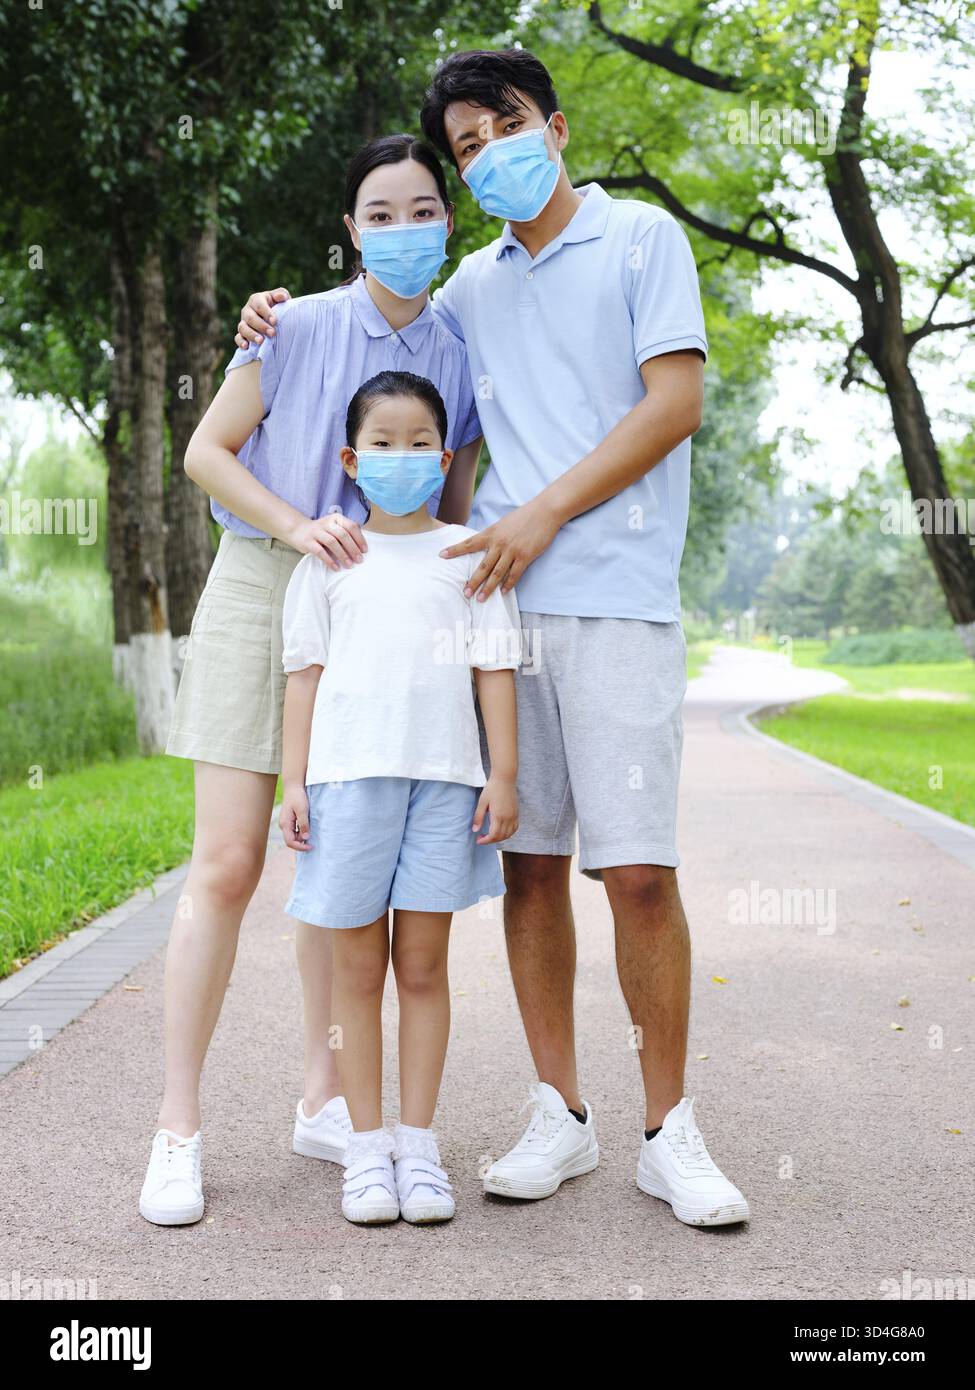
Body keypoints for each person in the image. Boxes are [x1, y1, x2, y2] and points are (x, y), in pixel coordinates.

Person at [238, 48, 749, 1227]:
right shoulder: (469, 283)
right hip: (496, 612)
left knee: (636, 871)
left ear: (555, 129)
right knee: (527, 866)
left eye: (500, 128)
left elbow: (675, 403)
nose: (485, 155)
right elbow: (380, 331)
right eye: (465, 146)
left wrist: (541, 513)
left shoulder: (640, 242)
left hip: (614, 597)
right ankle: (559, 1113)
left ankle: (670, 1130)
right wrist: (271, 312)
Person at [139, 133, 484, 1228]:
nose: (402, 228)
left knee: (335, 866)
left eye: (423, 207)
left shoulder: (459, 349)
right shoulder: (286, 325)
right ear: (349, 228)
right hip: (266, 580)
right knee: (234, 859)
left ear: (447, 220)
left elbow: (455, 504)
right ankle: (178, 1128)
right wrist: (299, 524)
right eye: (379, 212)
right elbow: (206, 450)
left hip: (388, 605)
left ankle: (326, 1100)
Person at [279, 370, 520, 1224]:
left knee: (421, 966)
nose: (401, 456)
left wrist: (504, 774)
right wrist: (293, 783)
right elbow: (302, 677)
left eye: (419, 442)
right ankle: (365, 1148)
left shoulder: (468, 555)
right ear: (351, 457)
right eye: (382, 443)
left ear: (443, 454)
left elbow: (495, 670)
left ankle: (418, 1148)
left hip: (444, 783)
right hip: (346, 785)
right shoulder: (330, 560)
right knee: (355, 970)